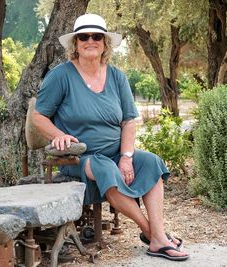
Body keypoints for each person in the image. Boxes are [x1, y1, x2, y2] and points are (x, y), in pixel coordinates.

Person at [32, 13, 189, 261]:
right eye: (84, 36)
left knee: (152, 163)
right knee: (107, 170)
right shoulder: (61, 76)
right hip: (80, 157)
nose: (90, 40)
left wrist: (126, 157)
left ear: (105, 43)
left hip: (115, 153)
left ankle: (157, 236)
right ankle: (155, 236)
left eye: (97, 36)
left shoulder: (117, 77)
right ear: (76, 43)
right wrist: (59, 135)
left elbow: (128, 121)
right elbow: (38, 116)